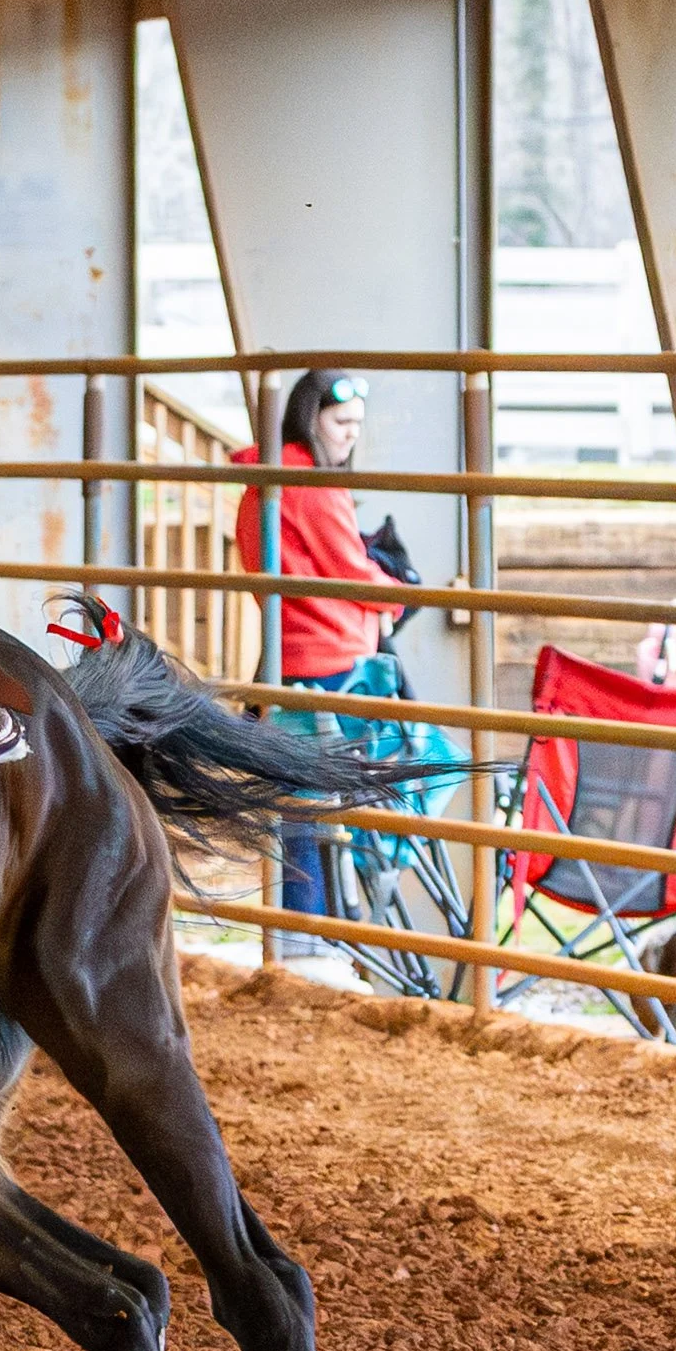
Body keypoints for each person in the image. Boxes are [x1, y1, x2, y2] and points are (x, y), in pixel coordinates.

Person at [228, 370, 411, 941]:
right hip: (338, 664)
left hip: (286, 658)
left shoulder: (259, 481)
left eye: (356, 425)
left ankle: (299, 934)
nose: (350, 436)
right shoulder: (316, 485)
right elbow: (351, 568)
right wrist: (398, 598)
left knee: (297, 805)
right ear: (311, 419)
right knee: (402, 777)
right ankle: (341, 928)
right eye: (340, 422)